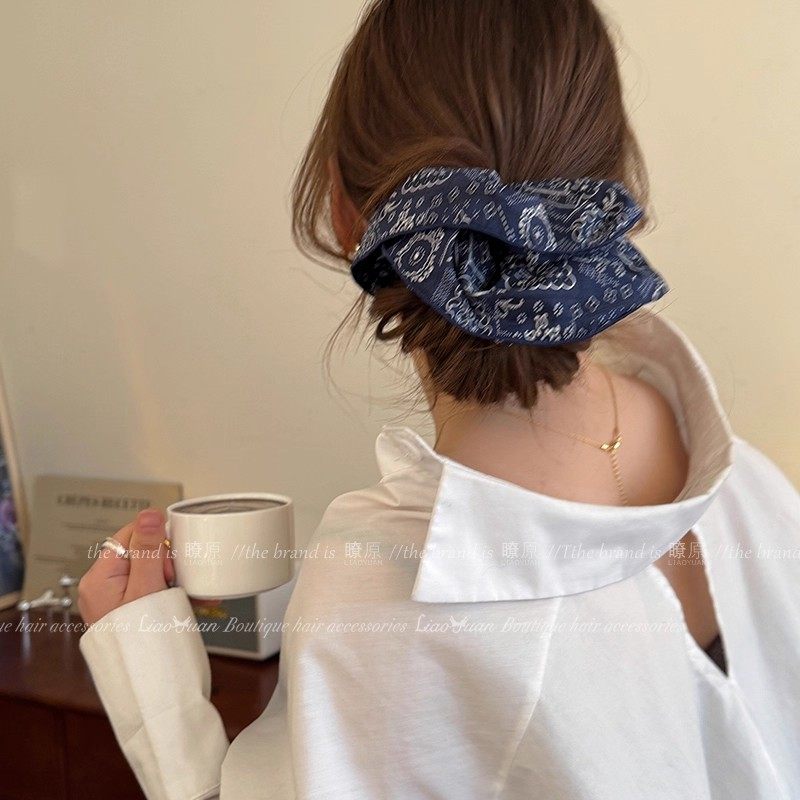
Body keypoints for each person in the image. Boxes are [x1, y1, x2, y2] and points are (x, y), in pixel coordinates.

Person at [77, 1, 800, 798]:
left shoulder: (391, 599)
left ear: (345, 213)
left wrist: (152, 686)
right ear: (613, 193)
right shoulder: (757, 491)